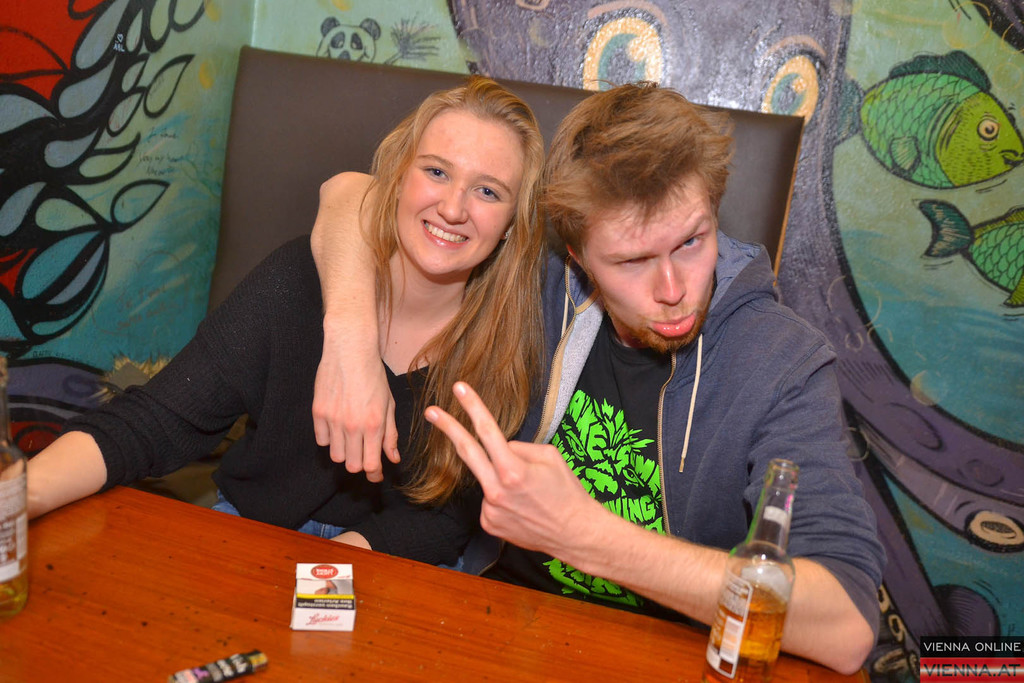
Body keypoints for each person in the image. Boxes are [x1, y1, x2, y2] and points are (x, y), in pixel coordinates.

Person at [308, 82, 886, 674]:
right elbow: (348, 194)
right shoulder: (536, 283)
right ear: (579, 257)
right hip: (493, 628)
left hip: (666, 655)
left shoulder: (781, 361)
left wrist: (588, 537)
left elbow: (847, 625)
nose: (672, 289)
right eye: (632, 260)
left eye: (692, 241)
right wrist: (350, 343)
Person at [25, 76, 547, 568]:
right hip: (253, 528)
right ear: (396, 178)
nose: (453, 208)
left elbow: (447, 518)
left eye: (488, 191)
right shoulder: (298, 279)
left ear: (510, 224)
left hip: (392, 562)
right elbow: (158, 420)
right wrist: (22, 496)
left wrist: (318, 576)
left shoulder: (507, 339)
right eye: (436, 172)